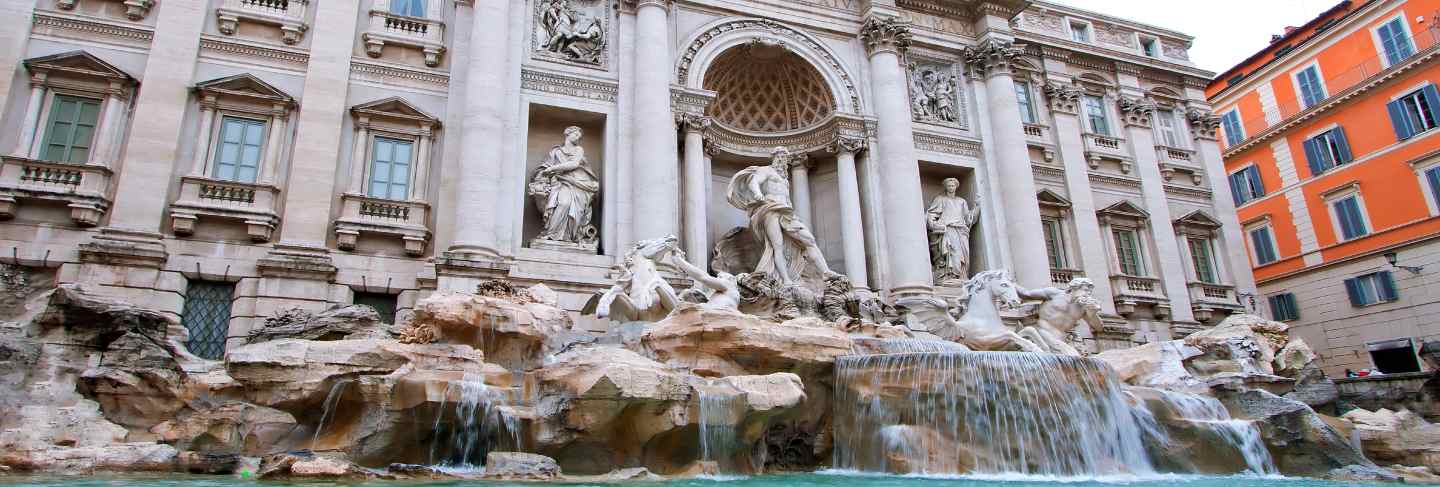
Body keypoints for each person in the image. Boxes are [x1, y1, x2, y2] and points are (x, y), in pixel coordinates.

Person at [726, 147, 836, 285]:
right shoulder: (766, 170)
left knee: (809, 240)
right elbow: (753, 181)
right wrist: (757, 193)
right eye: (780, 157)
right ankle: (786, 280)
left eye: (784, 158)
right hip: (770, 209)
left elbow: (787, 199)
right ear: (774, 158)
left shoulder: (785, 180)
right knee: (777, 246)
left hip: (786, 212)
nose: (782, 160)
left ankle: (825, 272)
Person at [531, 126, 599, 243]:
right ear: (567, 134)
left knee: (565, 203)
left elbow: (574, 164)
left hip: (577, 184)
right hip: (559, 183)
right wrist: (544, 172)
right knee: (562, 203)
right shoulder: (556, 151)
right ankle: (551, 234)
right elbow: (544, 167)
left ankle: (567, 236)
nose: (578, 138)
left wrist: (553, 168)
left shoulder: (579, 150)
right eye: (576, 135)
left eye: (580, 137)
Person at [926, 177, 980, 285]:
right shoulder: (940, 199)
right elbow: (931, 214)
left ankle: (962, 276)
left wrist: (977, 206)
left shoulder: (961, 201)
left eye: (953, 186)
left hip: (961, 231)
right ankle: (950, 275)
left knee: (963, 255)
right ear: (946, 187)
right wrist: (935, 225)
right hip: (948, 229)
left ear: (956, 187)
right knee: (953, 253)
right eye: (949, 186)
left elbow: (968, 218)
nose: (951, 188)